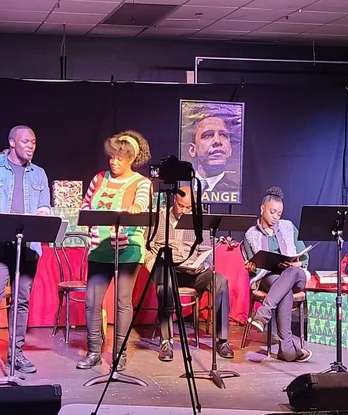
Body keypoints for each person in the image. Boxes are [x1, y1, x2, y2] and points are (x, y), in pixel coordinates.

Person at [0, 125, 52, 379]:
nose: (31, 146)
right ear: (12, 143)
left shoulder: (39, 174)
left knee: (21, 301)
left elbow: (44, 206)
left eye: (34, 142)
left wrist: (40, 219)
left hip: (27, 247)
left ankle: (15, 354)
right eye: (26, 141)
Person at [77, 130, 153, 371]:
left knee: (122, 302)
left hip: (128, 249)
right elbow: (86, 205)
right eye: (112, 157)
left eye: (120, 158)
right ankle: (93, 351)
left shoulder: (142, 182)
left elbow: (142, 202)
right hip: (100, 248)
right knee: (92, 301)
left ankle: (120, 355)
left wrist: (136, 207)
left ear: (131, 159)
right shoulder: (99, 178)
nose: (114, 162)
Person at [148, 185, 234, 362]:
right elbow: (148, 247)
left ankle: (222, 340)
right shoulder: (159, 218)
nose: (184, 211)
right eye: (181, 206)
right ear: (174, 200)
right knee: (165, 285)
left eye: (189, 207)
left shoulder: (199, 222)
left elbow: (207, 253)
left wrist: (202, 265)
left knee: (220, 281)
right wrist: (153, 265)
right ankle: (166, 341)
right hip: (168, 271)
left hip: (193, 273)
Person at [241, 186, 313, 363]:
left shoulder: (289, 227)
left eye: (279, 214)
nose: (275, 217)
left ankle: (263, 313)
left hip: (295, 275)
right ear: (262, 209)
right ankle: (287, 349)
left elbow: (304, 256)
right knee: (284, 291)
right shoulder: (251, 234)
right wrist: (251, 267)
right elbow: (254, 266)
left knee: (290, 272)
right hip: (270, 277)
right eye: (272, 212)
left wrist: (295, 263)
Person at [187, 115, 238, 193]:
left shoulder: (236, 191)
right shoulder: (181, 189)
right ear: (192, 149)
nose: (217, 141)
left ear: (230, 149)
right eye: (207, 135)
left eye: (223, 135)